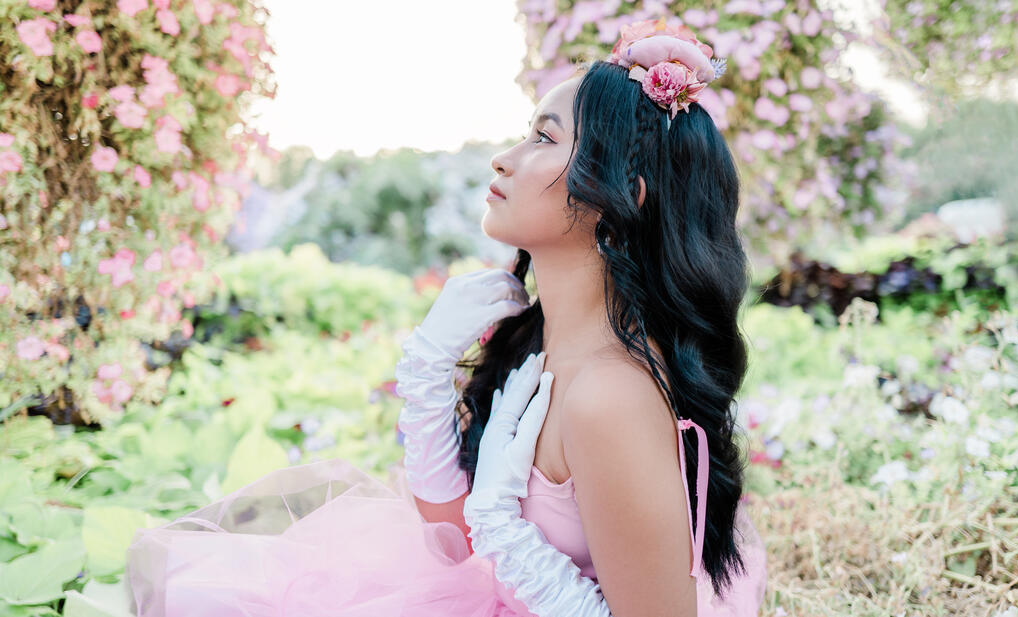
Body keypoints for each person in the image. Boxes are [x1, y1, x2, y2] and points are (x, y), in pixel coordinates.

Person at [125, 16, 768, 617]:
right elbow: (452, 546)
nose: (505, 157)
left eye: (544, 137)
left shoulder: (611, 395)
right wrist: (426, 373)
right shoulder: (546, 345)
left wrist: (511, 544)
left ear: (624, 197)